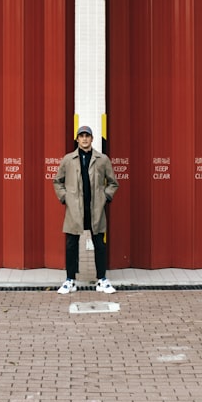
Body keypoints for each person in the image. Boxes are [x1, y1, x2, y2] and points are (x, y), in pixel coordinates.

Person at [52, 125, 119, 294]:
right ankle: (70, 280)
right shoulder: (68, 159)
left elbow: (113, 183)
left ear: (92, 138)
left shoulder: (102, 159)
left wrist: (105, 197)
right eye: (81, 136)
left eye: (87, 136)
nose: (84, 139)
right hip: (75, 210)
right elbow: (57, 181)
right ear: (77, 139)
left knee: (100, 245)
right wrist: (65, 197)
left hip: (96, 209)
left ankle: (102, 280)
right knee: (71, 245)